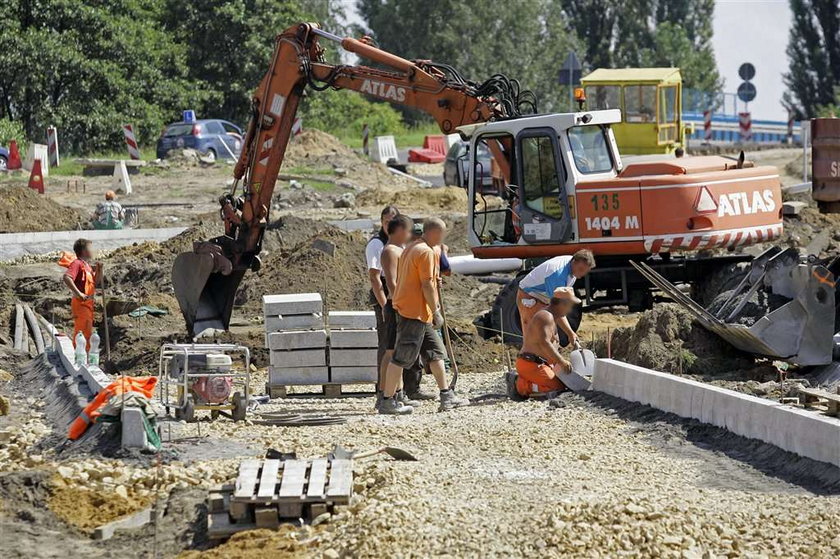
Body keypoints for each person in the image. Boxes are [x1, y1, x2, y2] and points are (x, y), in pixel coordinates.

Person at [380, 218, 469, 414]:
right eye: (442, 234)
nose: (443, 238)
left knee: (436, 352)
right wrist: (435, 310)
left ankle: (446, 395)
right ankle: (387, 401)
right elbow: (426, 285)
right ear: (434, 233)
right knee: (401, 358)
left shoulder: (411, 248)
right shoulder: (425, 252)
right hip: (415, 312)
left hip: (417, 311)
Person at [378, 215, 428, 407]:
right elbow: (392, 282)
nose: (409, 235)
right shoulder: (390, 251)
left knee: (397, 352)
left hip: (401, 304)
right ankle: (385, 394)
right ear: (399, 231)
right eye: (408, 231)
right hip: (396, 305)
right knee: (391, 353)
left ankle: (397, 393)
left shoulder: (400, 250)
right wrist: (401, 303)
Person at [507, 287, 579, 399]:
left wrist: (571, 334)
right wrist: (561, 361)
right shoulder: (545, 317)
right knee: (556, 387)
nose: (570, 310)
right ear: (562, 304)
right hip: (530, 364)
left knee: (566, 383)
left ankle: (530, 381)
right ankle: (519, 385)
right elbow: (544, 343)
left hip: (542, 363)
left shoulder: (553, 316)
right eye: (570, 305)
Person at [516, 249, 595, 346]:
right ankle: (532, 360)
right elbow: (557, 309)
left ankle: (547, 360)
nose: (582, 274)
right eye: (581, 269)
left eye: (585, 271)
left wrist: (570, 333)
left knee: (552, 338)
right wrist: (570, 333)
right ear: (574, 262)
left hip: (543, 298)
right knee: (536, 339)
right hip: (530, 297)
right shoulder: (557, 274)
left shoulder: (572, 268)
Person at [61, 238, 100, 350]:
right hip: (81, 304)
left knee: (86, 332)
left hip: (88, 304)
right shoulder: (77, 263)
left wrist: (99, 270)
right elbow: (67, 277)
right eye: (90, 248)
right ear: (83, 251)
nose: (92, 251)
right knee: (82, 333)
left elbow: (94, 283)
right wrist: (78, 293)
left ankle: (84, 356)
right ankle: (80, 357)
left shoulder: (86, 265)